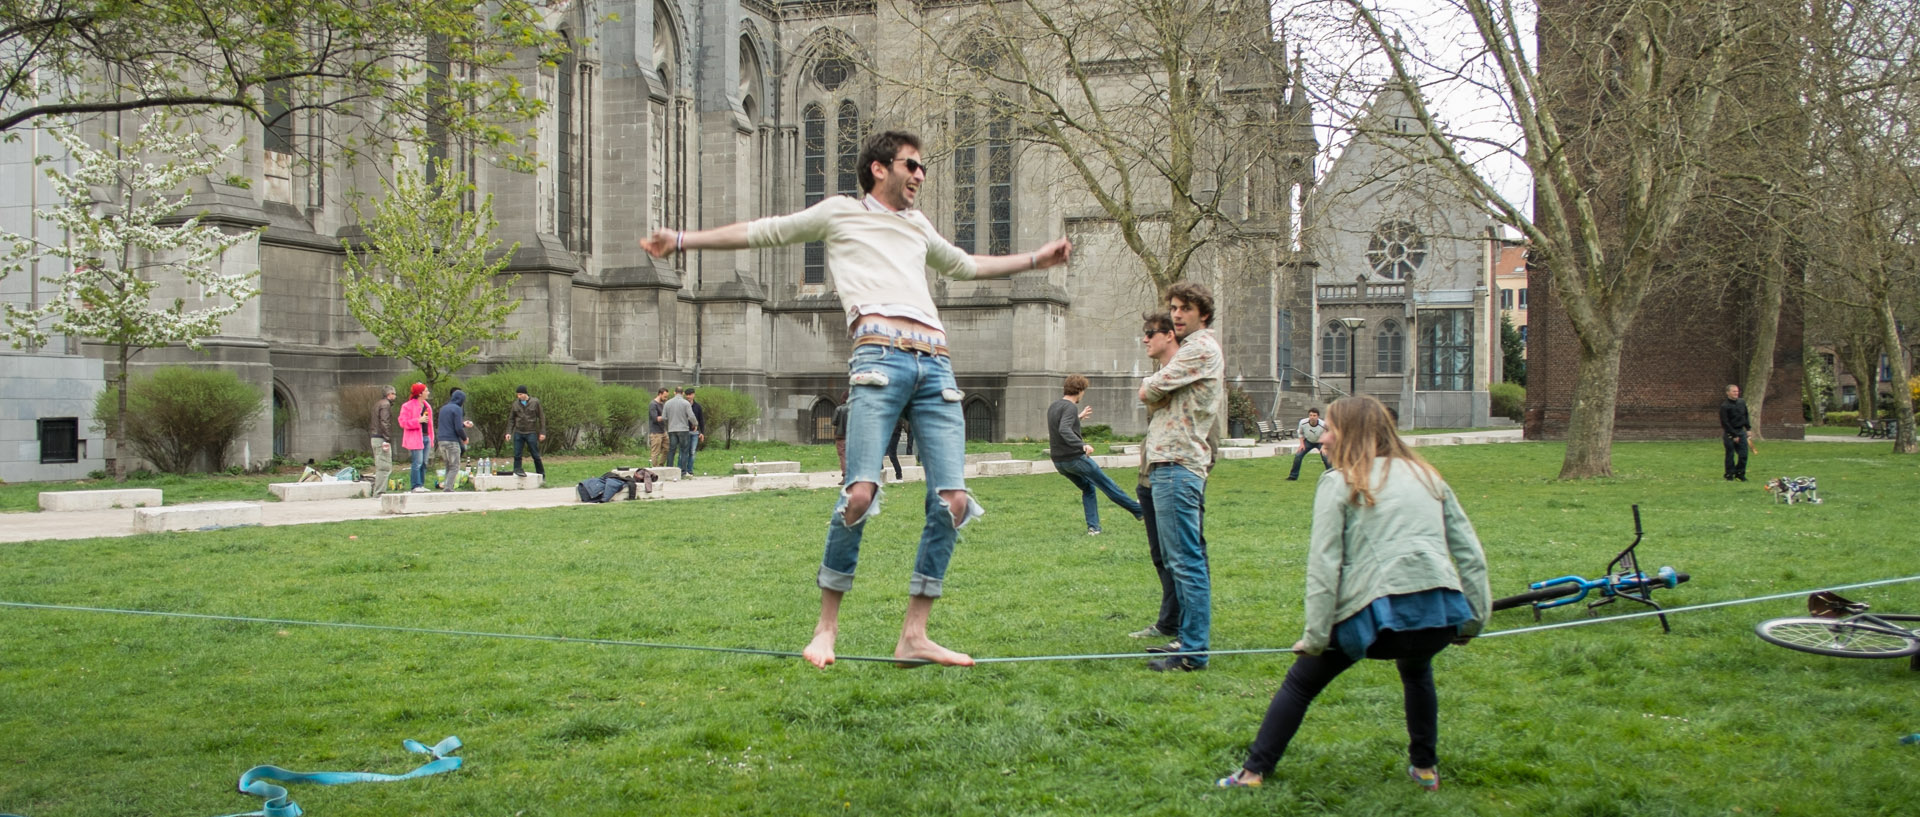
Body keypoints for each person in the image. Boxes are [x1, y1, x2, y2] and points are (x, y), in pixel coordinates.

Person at [640, 129, 1072, 669]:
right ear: (878, 168)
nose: (919, 175)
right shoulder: (840, 213)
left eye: (922, 168)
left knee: (954, 502)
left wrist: (1037, 259)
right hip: (879, 361)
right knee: (860, 494)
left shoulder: (918, 226)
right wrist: (681, 241)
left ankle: (915, 634)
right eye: (911, 165)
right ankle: (825, 630)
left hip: (935, 363)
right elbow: (763, 232)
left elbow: (965, 265)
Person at [1215, 394, 1490, 791]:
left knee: (1300, 683)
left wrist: (1314, 637)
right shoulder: (1429, 476)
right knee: (1417, 669)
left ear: (1351, 434)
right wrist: (1472, 623)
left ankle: (1253, 773)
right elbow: (1471, 557)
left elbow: (1324, 567)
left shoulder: (1338, 482)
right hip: (1438, 617)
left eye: (1329, 428)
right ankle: (1425, 770)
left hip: (1374, 624)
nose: (1322, 438)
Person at [1138, 281, 1224, 672]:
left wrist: (1152, 387)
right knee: (1182, 559)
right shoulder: (1194, 349)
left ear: (1202, 313)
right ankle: (1186, 641)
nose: (1176, 314)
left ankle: (1193, 651)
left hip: (1177, 463)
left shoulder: (1200, 347)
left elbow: (1150, 389)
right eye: (1173, 307)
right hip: (1173, 463)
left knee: (1185, 561)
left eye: (1184, 308)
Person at [1129, 311, 1186, 641]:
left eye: (1151, 333)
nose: (1145, 338)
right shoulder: (1162, 374)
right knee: (1160, 555)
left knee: (1178, 555)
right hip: (1150, 476)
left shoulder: (1185, 372)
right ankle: (1169, 622)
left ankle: (1184, 628)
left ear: (1169, 335)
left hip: (1174, 474)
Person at [1050, 373, 1143, 535]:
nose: (1083, 394)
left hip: (1059, 462)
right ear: (1079, 390)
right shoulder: (1070, 407)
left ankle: (1094, 528)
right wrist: (1082, 445)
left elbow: (1061, 425)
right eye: (1084, 391)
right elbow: (1064, 429)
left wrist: (1078, 418)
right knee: (1108, 485)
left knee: (1088, 488)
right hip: (1075, 458)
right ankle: (1139, 510)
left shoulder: (1055, 406)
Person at [397, 383, 434, 492]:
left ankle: (421, 484)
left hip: (426, 437)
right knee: (417, 462)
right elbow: (402, 422)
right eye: (426, 391)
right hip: (415, 438)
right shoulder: (407, 406)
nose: (428, 393)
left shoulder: (427, 406)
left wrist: (431, 437)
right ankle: (415, 485)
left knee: (424, 462)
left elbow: (430, 424)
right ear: (420, 393)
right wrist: (418, 421)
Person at [504, 385, 547, 478]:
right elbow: (511, 419)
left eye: (520, 394)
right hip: (519, 432)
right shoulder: (515, 404)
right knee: (517, 455)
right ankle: (517, 472)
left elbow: (541, 417)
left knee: (535, 455)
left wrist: (542, 432)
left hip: (531, 432)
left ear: (525, 394)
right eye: (517, 395)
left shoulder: (535, 402)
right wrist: (508, 432)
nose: (519, 396)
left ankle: (541, 475)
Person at [434, 387, 472, 491]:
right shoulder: (457, 409)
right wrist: (464, 438)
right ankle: (448, 487)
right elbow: (457, 428)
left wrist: (463, 424)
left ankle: (446, 485)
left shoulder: (443, 408)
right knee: (455, 466)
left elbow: (448, 424)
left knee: (448, 465)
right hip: (452, 441)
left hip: (441, 440)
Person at [1286, 408, 1330, 481]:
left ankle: (1330, 476)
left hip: (1320, 442)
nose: (1312, 417)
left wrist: (1324, 446)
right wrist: (1302, 444)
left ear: (1318, 417)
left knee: (1326, 457)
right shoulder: (1303, 422)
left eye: (1314, 415)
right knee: (1298, 456)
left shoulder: (1323, 425)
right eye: (1310, 415)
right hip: (1308, 441)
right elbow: (1300, 433)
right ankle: (1293, 476)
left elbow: (1327, 435)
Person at [1720, 384, 1752, 482]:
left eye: (1737, 391)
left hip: (1741, 431)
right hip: (1730, 433)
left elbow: (1745, 415)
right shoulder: (1725, 406)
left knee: (1743, 454)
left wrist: (1748, 428)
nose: (1736, 393)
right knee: (1730, 455)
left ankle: (1740, 474)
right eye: (1734, 391)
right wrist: (1733, 435)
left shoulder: (1741, 402)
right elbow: (1725, 422)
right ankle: (1729, 474)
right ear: (1728, 393)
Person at [369, 385, 397, 497]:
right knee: (384, 467)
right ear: (389, 394)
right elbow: (385, 422)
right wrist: (388, 438)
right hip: (381, 438)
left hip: (375, 437)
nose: (395, 396)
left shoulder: (378, 403)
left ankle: (378, 491)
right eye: (394, 394)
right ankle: (380, 492)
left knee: (380, 465)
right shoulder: (385, 405)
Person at [663, 387, 697, 477]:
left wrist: (670, 422)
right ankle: (682, 472)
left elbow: (664, 417)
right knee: (684, 450)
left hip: (672, 429)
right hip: (683, 429)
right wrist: (695, 424)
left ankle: (669, 470)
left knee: (672, 450)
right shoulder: (685, 403)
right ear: (682, 393)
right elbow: (691, 416)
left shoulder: (667, 403)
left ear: (674, 393)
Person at [648, 387, 671, 467]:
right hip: (655, 432)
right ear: (660, 394)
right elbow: (655, 418)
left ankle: (660, 465)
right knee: (655, 452)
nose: (666, 398)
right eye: (665, 396)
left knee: (667, 448)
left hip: (663, 431)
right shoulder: (653, 404)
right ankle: (654, 469)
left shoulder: (663, 404)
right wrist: (665, 416)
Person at [686, 387, 707, 474]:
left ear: (693, 395)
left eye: (690, 395)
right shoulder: (683, 405)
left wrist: (702, 432)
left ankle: (690, 470)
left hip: (695, 432)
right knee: (684, 451)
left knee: (692, 451)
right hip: (685, 431)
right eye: (687, 395)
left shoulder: (697, 406)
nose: (688, 397)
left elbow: (701, 420)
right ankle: (682, 470)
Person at [885, 415, 909, 482]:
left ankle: (899, 475)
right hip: (892, 433)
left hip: (894, 434)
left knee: (892, 454)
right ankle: (898, 475)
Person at [832, 394, 851, 477]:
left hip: (841, 436)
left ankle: (845, 475)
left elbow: (834, 422)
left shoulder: (839, 409)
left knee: (843, 455)